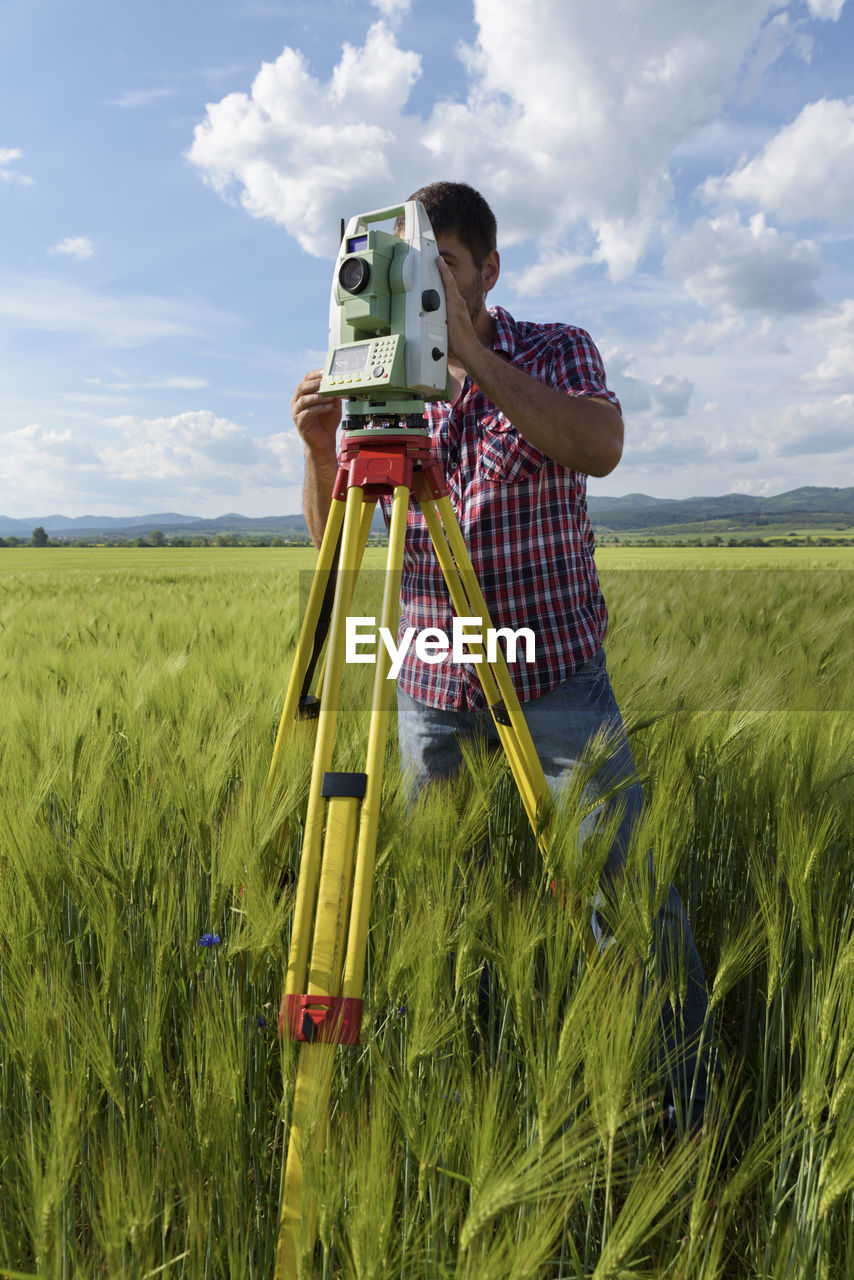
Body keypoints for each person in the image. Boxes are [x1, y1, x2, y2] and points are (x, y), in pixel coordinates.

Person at [292, 180, 711, 1135]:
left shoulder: (556, 349)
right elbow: (342, 546)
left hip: (555, 684)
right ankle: (478, 1111)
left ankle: (689, 1119)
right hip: (432, 695)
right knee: (458, 907)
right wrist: (325, 447)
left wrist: (470, 354)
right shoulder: (387, 386)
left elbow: (600, 445)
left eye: (441, 268)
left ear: (488, 267)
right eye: (411, 274)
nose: (424, 291)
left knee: (630, 897)